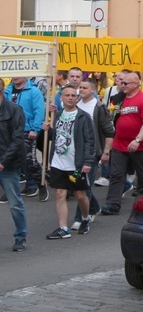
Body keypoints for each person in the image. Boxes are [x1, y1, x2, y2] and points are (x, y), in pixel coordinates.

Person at [100, 72, 143, 216]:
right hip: (119, 144)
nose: (122, 85)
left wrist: (137, 139)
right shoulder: (118, 99)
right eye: (121, 82)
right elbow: (112, 118)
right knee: (116, 175)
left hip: (140, 145)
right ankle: (112, 204)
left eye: (126, 83)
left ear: (137, 84)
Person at [44, 86, 96, 238]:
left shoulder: (83, 117)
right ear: (61, 97)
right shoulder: (58, 115)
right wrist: (48, 130)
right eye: (67, 95)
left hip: (76, 163)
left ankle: (86, 218)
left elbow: (90, 140)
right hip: (58, 161)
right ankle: (63, 228)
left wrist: (87, 161)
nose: (70, 98)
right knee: (60, 193)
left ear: (77, 98)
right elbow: (59, 135)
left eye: (73, 95)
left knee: (80, 195)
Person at [71, 78, 114, 231]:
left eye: (85, 88)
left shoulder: (99, 107)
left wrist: (106, 152)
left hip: (92, 153)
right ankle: (94, 207)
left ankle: (80, 218)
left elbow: (109, 132)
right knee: (75, 184)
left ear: (93, 90)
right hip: (74, 152)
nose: (81, 90)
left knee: (84, 185)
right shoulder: (74, 104)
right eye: (80, 87)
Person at [4, 77, 47, 202]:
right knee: (10, 160)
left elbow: (39, 110)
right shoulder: (7, 90)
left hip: (27, 130)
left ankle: (41, 184)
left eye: (19, 74)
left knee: (30, 161)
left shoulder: (34, 91)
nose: (16, 77)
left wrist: (35, 128)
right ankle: (10, 190)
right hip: (9, 131)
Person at [0, 79, 29, 252]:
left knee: (14, 203)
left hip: (9, 164)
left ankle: (21, 236)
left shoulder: (14, 110)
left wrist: (3, 162)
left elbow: (17, 139)